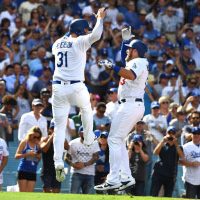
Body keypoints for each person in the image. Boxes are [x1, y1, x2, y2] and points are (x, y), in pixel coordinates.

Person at [51, 7, 106, 182]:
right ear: (79, 31)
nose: (86, 32)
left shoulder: (57, 43)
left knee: (60, 128)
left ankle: (58, 162)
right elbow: (96, 35)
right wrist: (100, 19)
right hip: (75, 86)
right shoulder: (79, 41)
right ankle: (89, 137)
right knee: (86, 109)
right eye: (84, 30)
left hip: (58, 87)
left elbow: (64, 46)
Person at [94, 27, 149, 191]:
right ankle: (125, 177)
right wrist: (125, 42)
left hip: (131, 104)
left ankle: (114, 178)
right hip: (130, 104)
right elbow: (126, 61)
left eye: (131, 49)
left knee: (113, 139)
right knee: (119, 140)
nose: (128, 51)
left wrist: (113, 67)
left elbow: (130, 74)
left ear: (136, 51)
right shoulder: (134, 60)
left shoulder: (139, 62)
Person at [150, 126, 184, 197]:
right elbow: (155, 153)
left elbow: (182, 156)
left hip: (171, 175)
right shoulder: (162, 145)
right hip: (158, 173)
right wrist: (163, 141)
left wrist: (176, 143)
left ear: (175, 135)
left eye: (173, 133)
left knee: (168, 195)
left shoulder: (178, 147)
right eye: (169, 133)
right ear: (166, 134)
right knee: (154, 194)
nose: (171, 135)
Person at [64, 126, 100, 194]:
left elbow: (96, 157)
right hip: (76, 173)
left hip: (90, 173)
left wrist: (84, 164)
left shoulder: (94, 143)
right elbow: (66, 157)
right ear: (80, 133)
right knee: (73, 196)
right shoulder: (73, 143)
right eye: (84, 133)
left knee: (88, 197)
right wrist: (73, 165)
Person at [39, 119, 69, 193]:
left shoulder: (61, 139)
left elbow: (67, 147)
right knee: (47, 191)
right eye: (53, 128)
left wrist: (61, 135)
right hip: (47, 169)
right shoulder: (44, 139)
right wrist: (52, 136)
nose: (54, 130)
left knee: (56, 191)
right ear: (50, 129)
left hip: (58, 168)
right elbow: (44, 149)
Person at [15, 126, 42, 192]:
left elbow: (39, 159)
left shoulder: (38, 145)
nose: (36, 139)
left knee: (29, 194)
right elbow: (16, 156)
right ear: (30, 135)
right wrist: (27, 154)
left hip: (33, 171)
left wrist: (37, 156)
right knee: (23, 193)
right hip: (23, 170)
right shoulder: (24, 142)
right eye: (34, 137)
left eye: (38, 137)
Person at [182, 127, 200, 199]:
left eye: (198, 134)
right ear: (191, 135)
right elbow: (179, 161)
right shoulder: (185, 147)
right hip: (190, 180)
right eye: (194, 133)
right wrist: (191, 164)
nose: (196, 135)